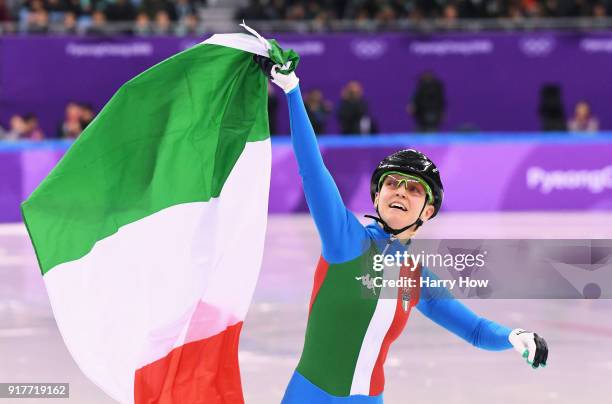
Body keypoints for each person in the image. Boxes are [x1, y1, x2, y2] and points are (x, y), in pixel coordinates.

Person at [253, 56, 549, 403]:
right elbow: (312, 169)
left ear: (429, 210)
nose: (400, 191)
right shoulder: (345, 239)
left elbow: (475, 330)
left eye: (414, 189)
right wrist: (292, 91)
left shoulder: (415, 277)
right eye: (393, 183)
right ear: (377, 195)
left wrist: (514, 335)